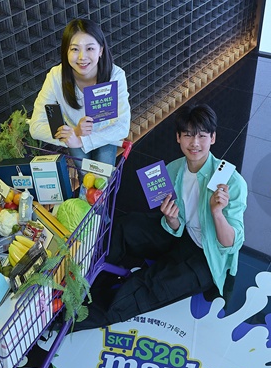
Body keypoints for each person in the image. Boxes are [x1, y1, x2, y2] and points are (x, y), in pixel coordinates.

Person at [74, 103, 246, 330]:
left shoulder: (232, 182)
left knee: (145, 288)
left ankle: (71, 317)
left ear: (213, 138)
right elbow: (177, 224)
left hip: (207, 255)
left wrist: (217, 213)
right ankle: (84, 280)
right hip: (181, 235)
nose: (195, 143)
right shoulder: (173, 169)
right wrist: (172, 219)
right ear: (178, 137)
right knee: (125, 226)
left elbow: (231, 245)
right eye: (188, 135)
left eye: (202, 136)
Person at [29, 18, 130, 166]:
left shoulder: (115, 76)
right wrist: (74, 133)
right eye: (75, 49)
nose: (82, 57)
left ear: (101, 50)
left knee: (103, 176)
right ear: (66, 51)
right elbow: (36, 126)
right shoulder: (55, 77)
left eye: (90, 48)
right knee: (85, 176)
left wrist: (83, 141)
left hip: (105, 133)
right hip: (74, 134)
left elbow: (122, 126)